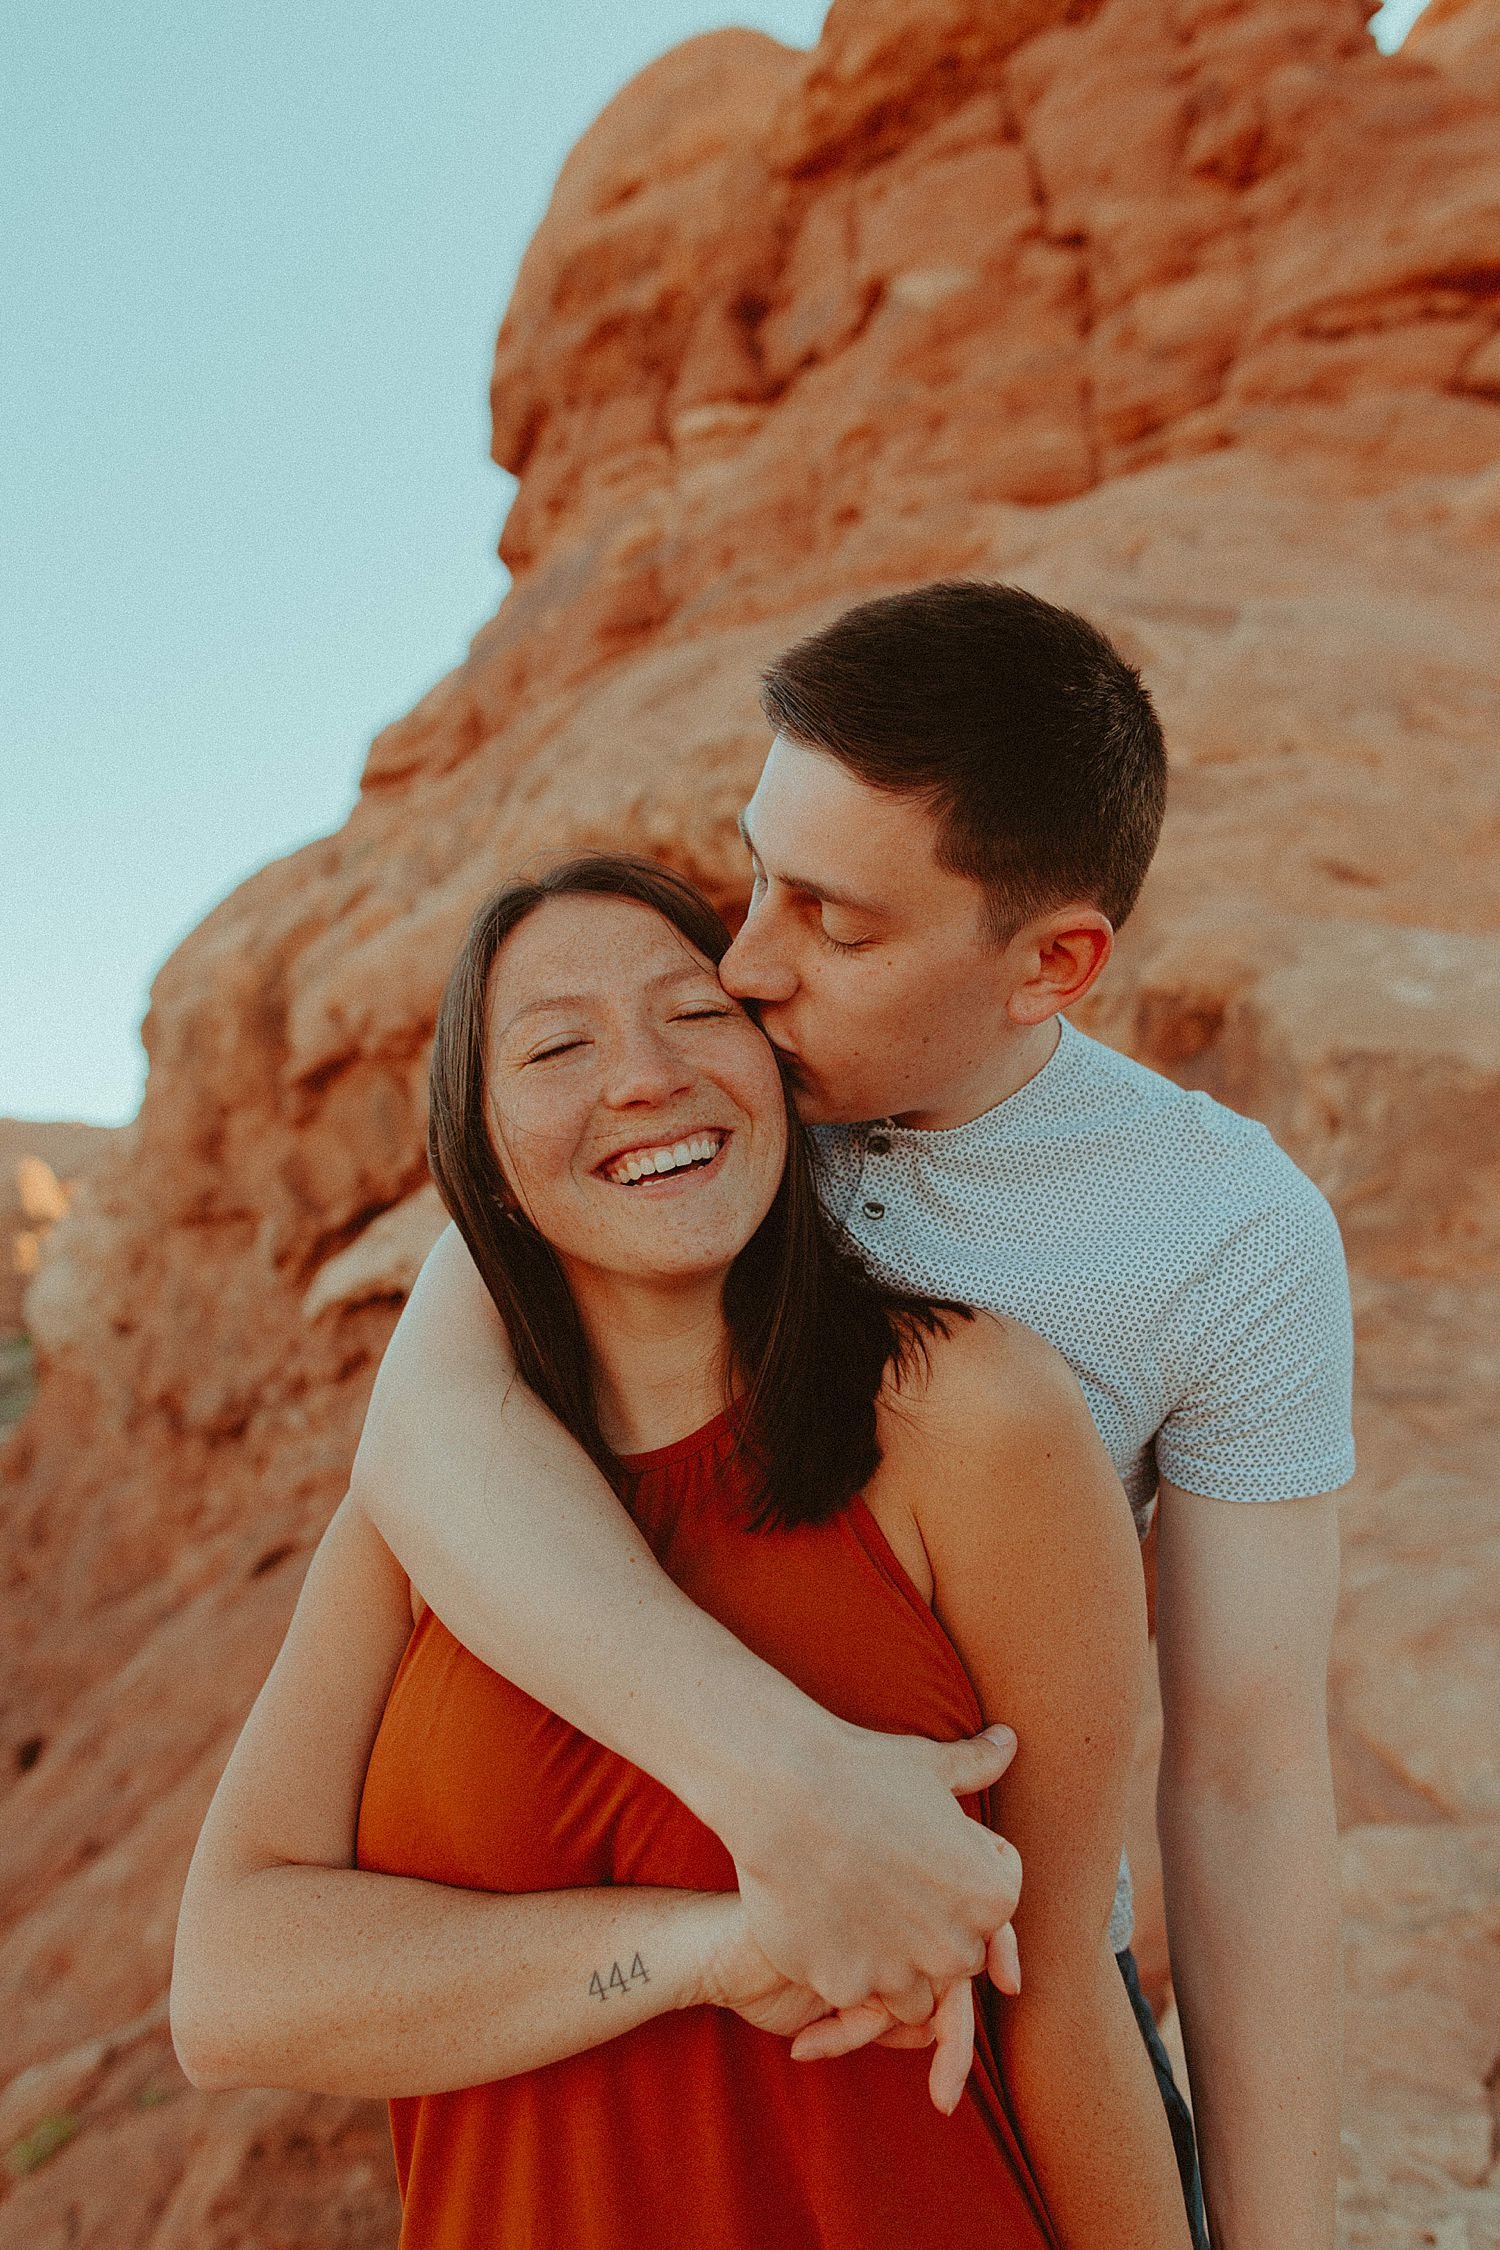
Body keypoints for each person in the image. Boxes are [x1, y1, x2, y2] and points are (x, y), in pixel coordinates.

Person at [347, 583, 1352, 2250]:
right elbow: (426, 1432)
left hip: (1004, 2026)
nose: (743, 960)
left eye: (836, 919)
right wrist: (793, 1782)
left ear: (1054, 963)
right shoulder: (691, 1093)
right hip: (628, 1992)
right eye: (758, 869)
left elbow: (1247, 1776)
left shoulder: (1228, 1233)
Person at [170, 855, 1192, 2250]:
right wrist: (710, 1949)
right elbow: (229, 1990)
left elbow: (1065, 1985)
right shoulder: (415, 1513)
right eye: (556, 1045)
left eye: (697, 1015)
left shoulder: (971, 1417)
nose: (644, 1076)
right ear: (486, 1160)